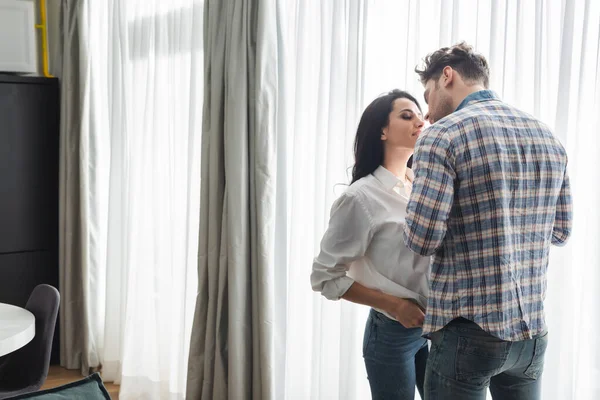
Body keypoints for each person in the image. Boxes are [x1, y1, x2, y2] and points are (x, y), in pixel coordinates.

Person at [403, 42, 573, 400]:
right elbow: (561, 231)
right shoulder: (546, 135)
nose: (428, 112)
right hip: (530, 335)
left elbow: (422, 239)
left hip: (468, 330)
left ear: (446, 76)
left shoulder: (442, 135)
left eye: (427, 93)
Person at [311, 89, 430, 400]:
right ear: (382, 130)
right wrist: (395, 306)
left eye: (420, 114)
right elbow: (325, 277)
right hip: (392, 331)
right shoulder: (360, 198)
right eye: (407, 115)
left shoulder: (421, 184)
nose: (419, 121)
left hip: (434, 328)